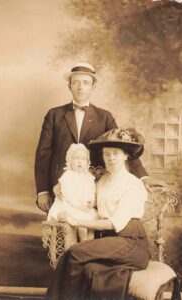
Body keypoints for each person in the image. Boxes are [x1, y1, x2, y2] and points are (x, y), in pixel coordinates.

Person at [45, 127, 151, 300]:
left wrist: (76, 221)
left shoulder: (133, 184)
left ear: (125, 156)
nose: (111, 158)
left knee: (74, 252)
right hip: (107, 240)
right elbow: (83, 195)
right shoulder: (102, 181)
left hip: (131, 241)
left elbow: (113, 223)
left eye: (116, 153)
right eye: (106, 154)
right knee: (86, 267)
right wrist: (60, 188)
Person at [35, 62, 150, 212]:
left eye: (85, 83)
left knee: (92, 229)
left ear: (93, 86)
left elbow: (121, 146)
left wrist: (143, 177)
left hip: (94, 186)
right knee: (63, 227)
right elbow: (43, 154)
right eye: (75, 82)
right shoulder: (54, 115)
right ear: (69, 86)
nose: (80, 87)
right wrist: (43, 191)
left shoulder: (105, 117)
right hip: (61, 186)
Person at [47, 143, 98, 241]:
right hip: (69, 206)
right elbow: (68, 195)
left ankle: (91, 244)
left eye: (83, 159)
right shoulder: (68, 176)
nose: (80, 161)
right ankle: (83, 243)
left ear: (87, 162)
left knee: (91, 223)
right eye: (76, 158)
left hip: (84, 207)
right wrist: (80, 206)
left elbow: (91, 192)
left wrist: (91, 202)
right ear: (69, 161)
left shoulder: (88, 177)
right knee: (82, 223)